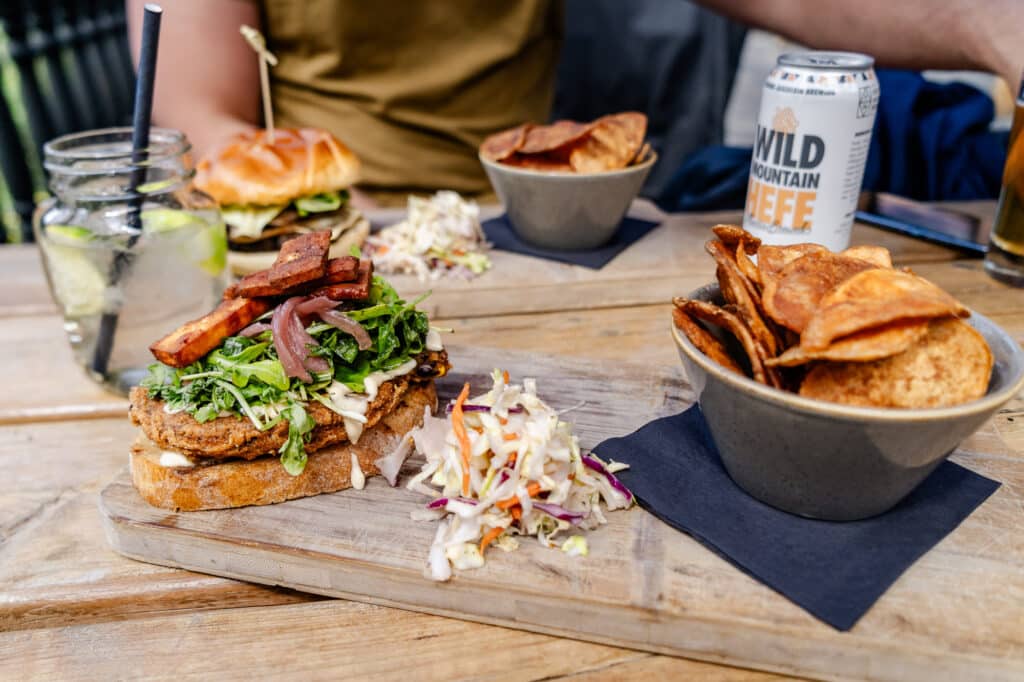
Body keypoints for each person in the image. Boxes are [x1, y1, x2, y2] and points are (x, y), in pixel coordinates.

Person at [130, 0, 1023, 207]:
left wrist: (995, 26)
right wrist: (326, 222)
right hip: (324, 226)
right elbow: (198, 116)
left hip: (521, 228)